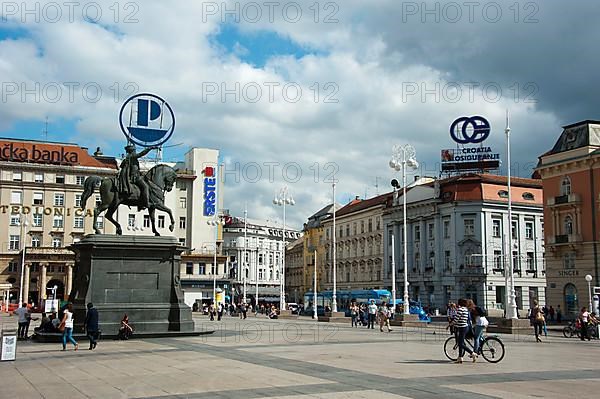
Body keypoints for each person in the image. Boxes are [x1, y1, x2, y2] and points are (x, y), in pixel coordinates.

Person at [117, 144, 156, 210]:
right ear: (132, 151)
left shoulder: (128, 158)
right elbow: (142, 154)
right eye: (134, 150)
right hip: (135, 177)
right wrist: (150, 148)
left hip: (135, 175)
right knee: (145, 187)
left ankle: (140, 203)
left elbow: (130, 168)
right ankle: (146, 203)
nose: (135, 151)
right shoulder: (132, 156)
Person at [454, 298, 476, 363]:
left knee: (460, 343)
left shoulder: (460, 309)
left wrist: (450, 324)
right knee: (461, 342)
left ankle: (472, 353)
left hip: (462, 328)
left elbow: (456, 319)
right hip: (465, 327)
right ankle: (460, 358)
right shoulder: (466, 309)